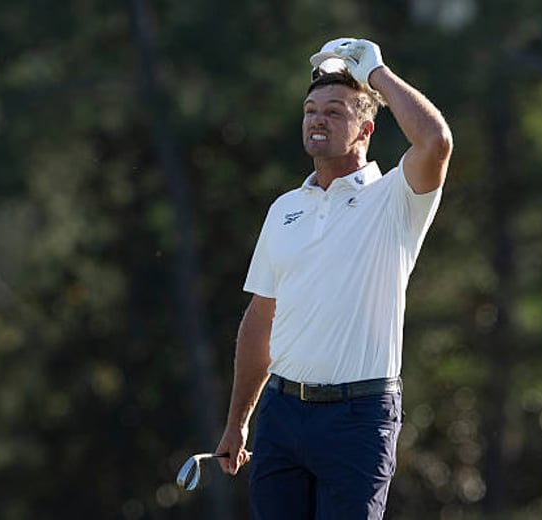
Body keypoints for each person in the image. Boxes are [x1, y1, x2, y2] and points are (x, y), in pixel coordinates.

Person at [215, 37, 453, 519]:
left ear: (365, 129)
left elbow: (436, 143)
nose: (317, 119)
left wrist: (376, 74)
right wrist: (239, 421)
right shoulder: (286, 208)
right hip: (281, 414)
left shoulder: (394, 199)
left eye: (335, 112)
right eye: (310, 110)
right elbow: (262, 319)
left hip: (359, 418)